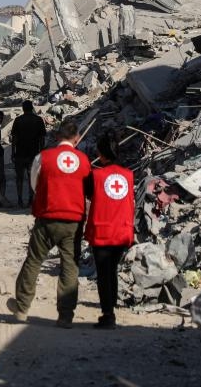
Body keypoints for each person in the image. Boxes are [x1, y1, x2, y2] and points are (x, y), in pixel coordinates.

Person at [7, 116, 91, 327]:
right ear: (77, 138)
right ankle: (65, 315)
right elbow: (87, 189)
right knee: (70, 266)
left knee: (34, 260)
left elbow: (35, 184)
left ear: (57, 136)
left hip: (46, 217)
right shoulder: (83, 160)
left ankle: (22, 308)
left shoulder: (43, 157)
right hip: (73, 221)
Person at [85, 130, 135, 330]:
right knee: (111, 271)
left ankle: (108, 314)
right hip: (123, 232)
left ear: (100, 153)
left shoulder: (95, 176)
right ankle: (110, 308)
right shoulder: (129, 176)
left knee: (104, 274)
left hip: (103, 231)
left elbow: (89, 195)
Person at [10, 100, 47, 208]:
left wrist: (13, 153)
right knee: (32, 177)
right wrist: (42, 152)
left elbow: (14, 139)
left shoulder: (18, 120)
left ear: (23, 108)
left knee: (19, 178)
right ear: (32, 108)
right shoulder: (38, 120)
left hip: (20, 154)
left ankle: (20, 200)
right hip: (33, 154)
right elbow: (42, 139)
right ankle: (31, 199)